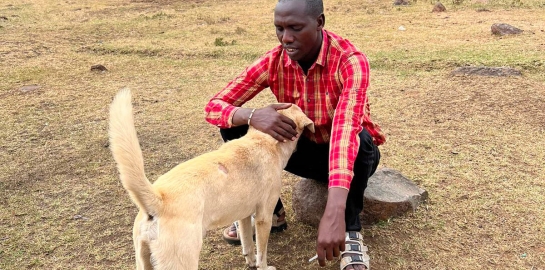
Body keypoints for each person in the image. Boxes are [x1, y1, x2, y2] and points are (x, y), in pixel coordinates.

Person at [204, 0, 385, 269]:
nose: (286, 38)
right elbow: (215, 106)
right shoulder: (274, 60)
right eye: (279, 28)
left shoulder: (350, 61)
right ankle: (271, 212)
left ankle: (351, 232)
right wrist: (253, 115)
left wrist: (333, 211)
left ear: (320, 23)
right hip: (301, 152)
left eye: (295, 28)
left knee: (360, 140)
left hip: (353, 157)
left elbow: (345, 132)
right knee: (234, 125)